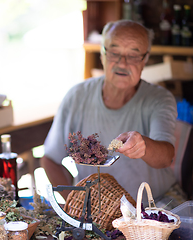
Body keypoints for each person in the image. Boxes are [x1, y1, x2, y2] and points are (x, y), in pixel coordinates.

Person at [40, 20, 185, 207]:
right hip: (97, 207)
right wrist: (75, 204)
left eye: (133, 55)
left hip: (152, 202)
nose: (122, 63)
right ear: (102, 53)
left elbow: (166, 157)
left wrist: (144, 145)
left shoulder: (159, 98)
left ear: (145, 58)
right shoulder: (77, 96)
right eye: (114, 52)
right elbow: (50, 159)